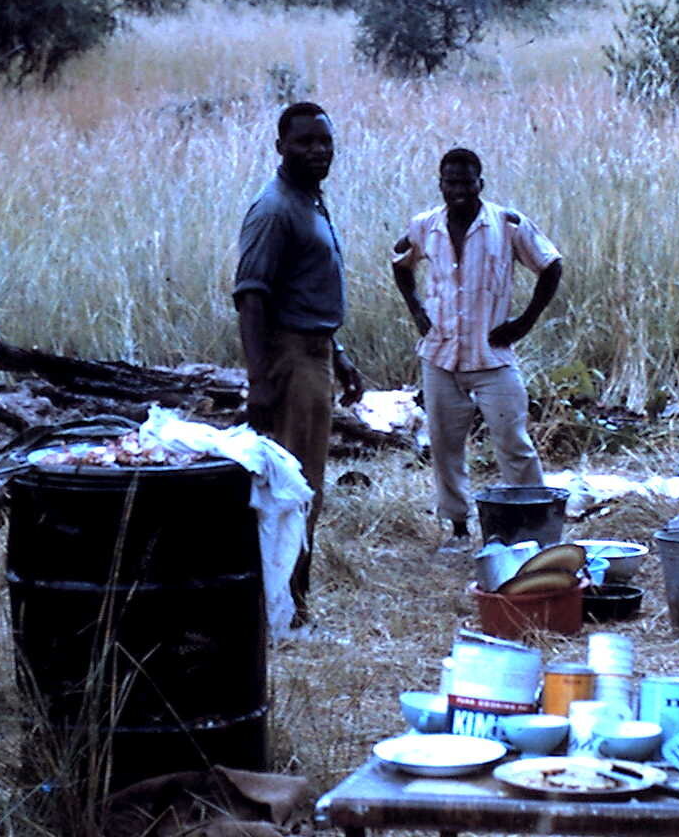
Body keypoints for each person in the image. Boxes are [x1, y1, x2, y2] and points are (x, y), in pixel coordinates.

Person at [391, 148, 565, 547]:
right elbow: (400, 264)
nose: (459, 190)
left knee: (513, 444)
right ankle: (457, 526)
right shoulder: (424, 226)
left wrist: (524, 322)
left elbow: (551, 264)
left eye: (467, 182)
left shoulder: (507, 224)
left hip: (492, 358)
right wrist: (417, 311)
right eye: (451, 182)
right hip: (440, 356)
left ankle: (533, 527)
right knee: (445, 446)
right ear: (441, 185)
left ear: (480, 184)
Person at [234, 102, 365, 626]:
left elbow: (303, 293)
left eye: (324, 142)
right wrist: (260, 382)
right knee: (293, 490)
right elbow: (251, 298)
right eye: (305, 142)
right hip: (291, 363)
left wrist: (340, 355)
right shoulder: (274, 209)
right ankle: (284, 608)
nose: (318, 151)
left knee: (306, 487)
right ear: (280, 147)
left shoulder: (309, 201)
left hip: (316, 355)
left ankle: (292, 601)